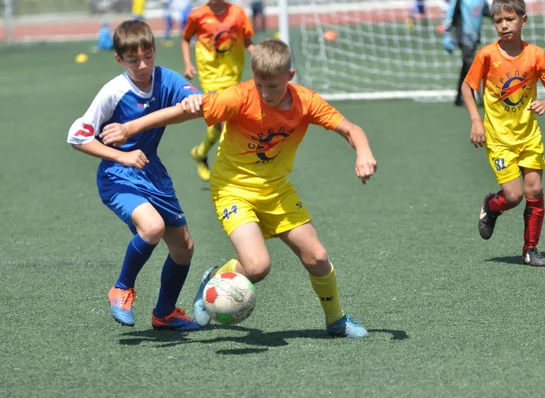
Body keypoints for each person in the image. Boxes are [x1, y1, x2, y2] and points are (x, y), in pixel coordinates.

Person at [100, 39, 377, 338]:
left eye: (273, 85)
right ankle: (214, 285)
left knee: (318, 258)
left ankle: (336, 321)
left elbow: (351, 129)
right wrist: (130, 128)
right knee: (257, 267)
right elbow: (182, 113)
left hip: (276, 190)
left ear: (290, 76)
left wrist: (363, 152)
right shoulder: (238, 97)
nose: (265, 93)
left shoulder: (306, 101)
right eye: (259, 85)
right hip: (233, 189)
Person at [66, 20, 201, 331]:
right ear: (119, 60)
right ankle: (121, 288)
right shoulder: (113, 92)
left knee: (184, 248)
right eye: (133, 60)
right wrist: (121, 155)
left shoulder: (165, 79)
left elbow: (192, 96)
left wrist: (194, 98)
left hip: (152, 173)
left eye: (149, 56)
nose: (143, 65)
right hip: (117, 174)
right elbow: (77, 135)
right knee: (152, 227)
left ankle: (164, 314)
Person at [461, 0, 545, 266]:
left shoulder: (536, 55)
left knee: (536, 189)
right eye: (498, 21)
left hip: (529, 135)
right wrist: (476, 120)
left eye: (510, 19)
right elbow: (467, 87)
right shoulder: (486, 55)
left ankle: (531, 250)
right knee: (514, 196)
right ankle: (491, 206)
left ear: (524, 20)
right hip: (499, 139)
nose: (504, 25)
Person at [181, 0, 255, 181]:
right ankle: (233, 171)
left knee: (219, 124)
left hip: (232, 74)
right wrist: (188, 64)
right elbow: (185, 38)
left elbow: (247, 42)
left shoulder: (238, 13)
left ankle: (200, 153)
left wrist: (260, 54)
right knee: (224, 122)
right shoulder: (197, 15)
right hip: (210, 75)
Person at [441, 0, 490, 106]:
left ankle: (459, 97)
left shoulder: (481, 1)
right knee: (471, 63)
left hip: (474, 37)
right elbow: (450, 15)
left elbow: (491, 13)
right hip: (462, 35)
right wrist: (447, 35)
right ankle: (478, 94)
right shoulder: (459, 1)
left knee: (466, 66)